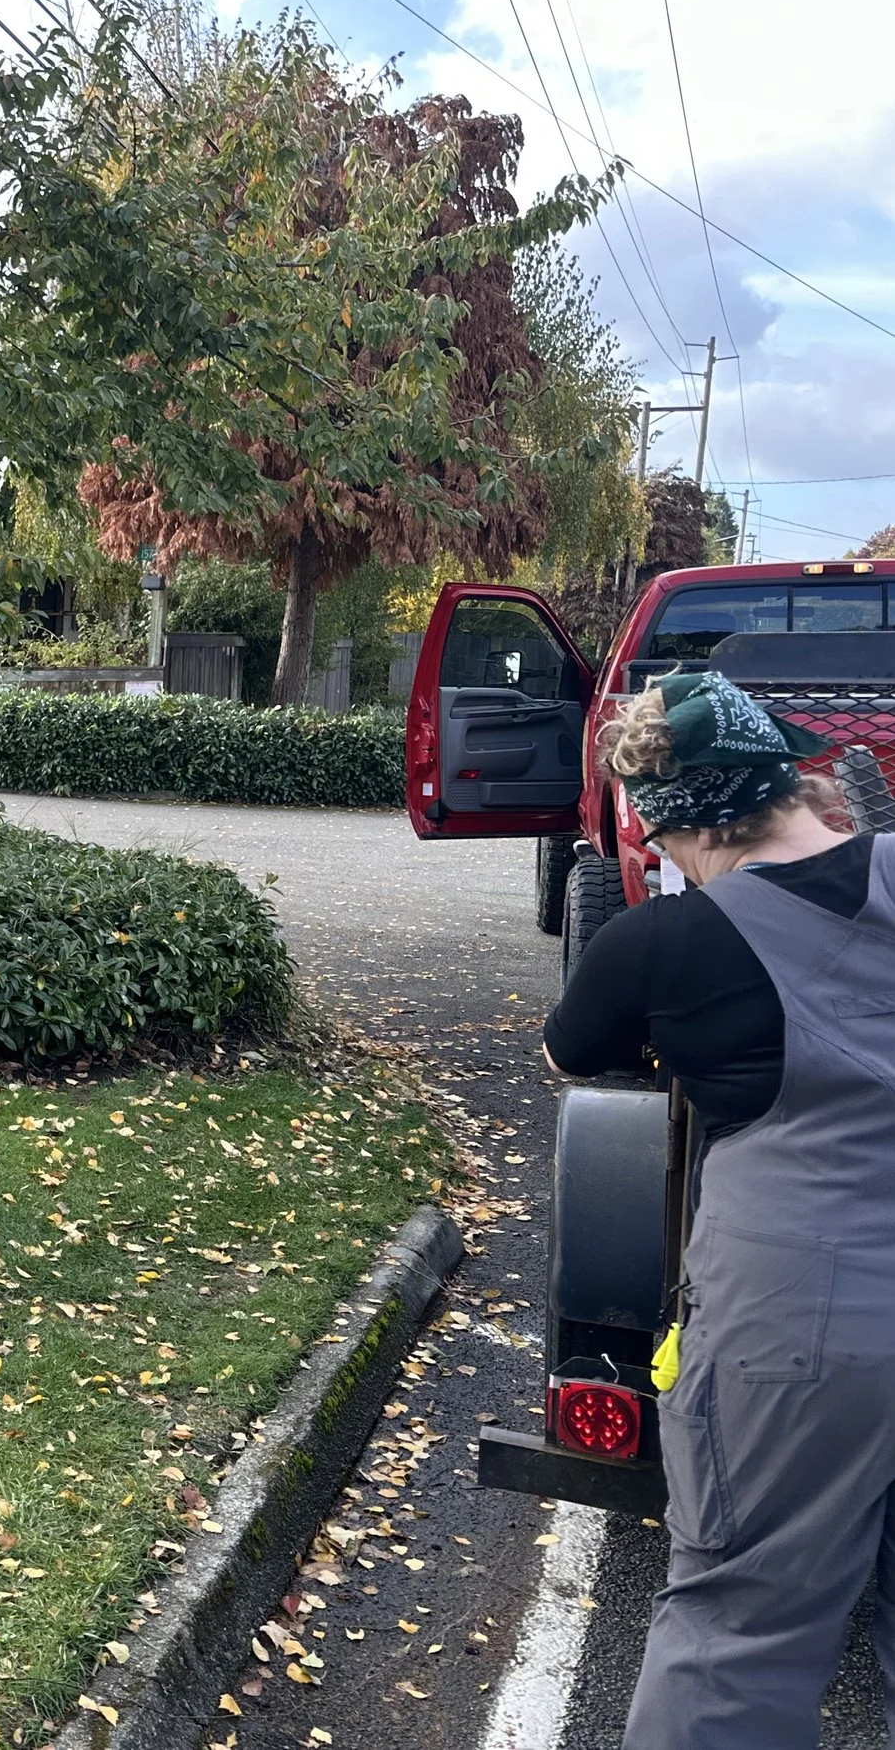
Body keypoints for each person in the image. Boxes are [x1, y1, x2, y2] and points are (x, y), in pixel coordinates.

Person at [543, 669, 895, 1748]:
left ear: (667, 824)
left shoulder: (670, 944)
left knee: (742, 1626)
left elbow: (570, 1050)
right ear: (786, 777)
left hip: (807, 1322)